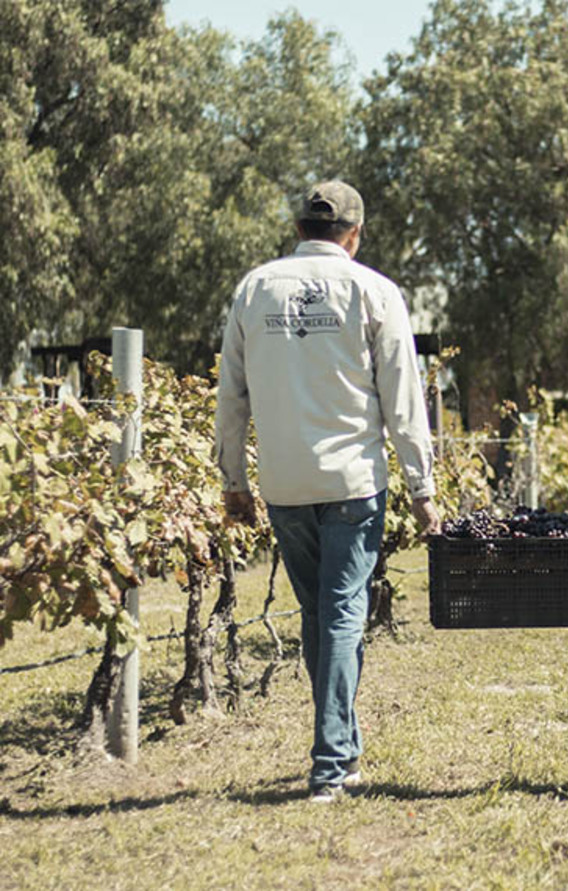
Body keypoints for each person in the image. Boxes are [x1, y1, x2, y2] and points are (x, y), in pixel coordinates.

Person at [214, 180, 440, 802]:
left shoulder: (254, 289)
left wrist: (232, 479)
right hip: (352, 482)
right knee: (342, 615)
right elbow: (403, 401)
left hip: (285, 483)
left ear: (299, 229)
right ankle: (329, 762)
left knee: (320, 614)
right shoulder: (374, 291)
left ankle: (343, 747)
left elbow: (230, 394)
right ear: (355, 233)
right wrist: (423, 488)